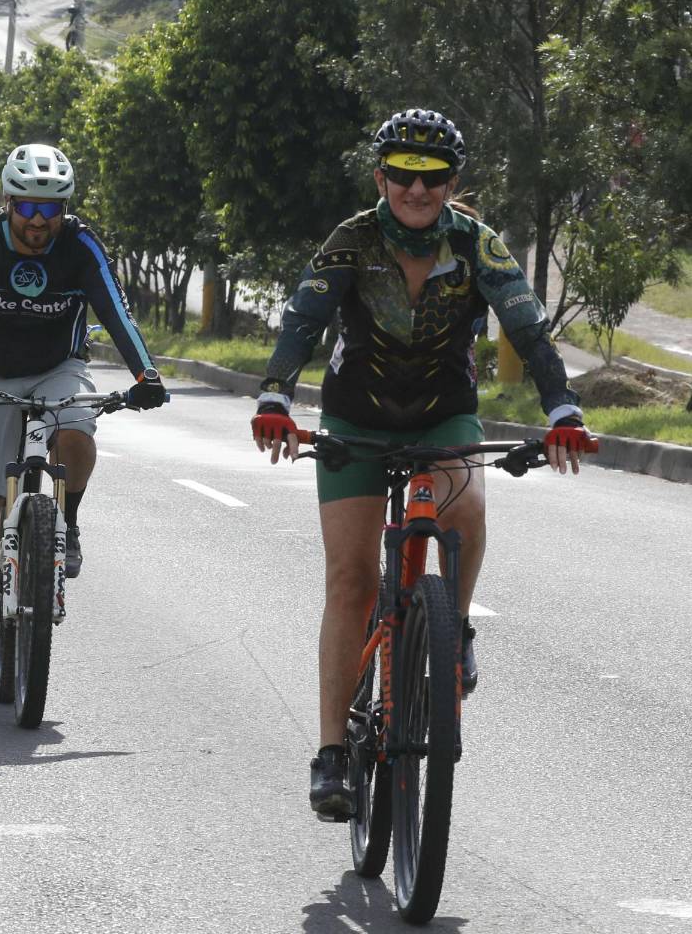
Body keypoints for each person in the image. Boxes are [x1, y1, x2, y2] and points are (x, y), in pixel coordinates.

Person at [249, 108, 591, 821]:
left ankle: (453, 627)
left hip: (442, 410)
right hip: (355, 417)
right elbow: (303, 323)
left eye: (432, 178)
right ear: (381, 176)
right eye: (403, 174)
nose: (417, 189)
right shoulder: (353, 238)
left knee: (466, 500)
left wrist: (562, 411)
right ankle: (332, 754)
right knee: (348, 579)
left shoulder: (476, 245)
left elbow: (526, 326)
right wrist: (276, 396)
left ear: (451, 183)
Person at [0, 142, 167, 663]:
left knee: (78, 429)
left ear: (64, 209)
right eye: (26, 206)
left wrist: (146, 373)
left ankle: (65, 523)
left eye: (51, 209)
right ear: (7, 200)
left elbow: (114, 308)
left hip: (57, 368)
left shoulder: (81, 245)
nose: (38, 221)